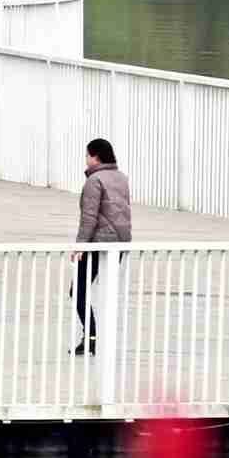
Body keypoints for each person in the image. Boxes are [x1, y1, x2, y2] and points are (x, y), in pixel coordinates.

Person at [69, 136, 129, 358]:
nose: (85, 159)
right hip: (120, 242)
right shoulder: (122, 178)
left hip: (99, 242)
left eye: (87, 155)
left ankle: (91, 338)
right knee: (107, 291)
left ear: (95, 156)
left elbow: (89, 218)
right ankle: (98, 340)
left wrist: (80, 246)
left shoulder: (94, 181)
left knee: (77, 291)